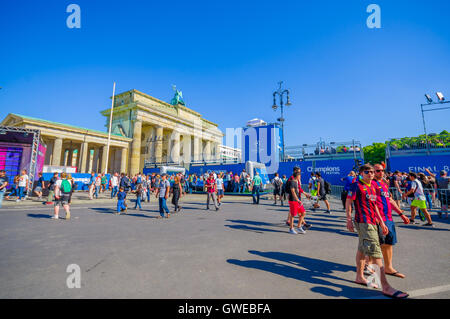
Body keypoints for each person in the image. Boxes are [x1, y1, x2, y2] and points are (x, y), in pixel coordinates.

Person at [345, 164, 408, 299]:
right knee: (375, 252)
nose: (371, 174)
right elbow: (349, 202)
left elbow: (375, 206)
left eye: (373, 172)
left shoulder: (373, 186)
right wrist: (348, 219)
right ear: (361, 173)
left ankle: (359, 276)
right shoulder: (356, 185)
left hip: (374, 221)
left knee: (362, 249)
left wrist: (381, 221)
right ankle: (385, 286)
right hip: (364, 222)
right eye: (368, 172)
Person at [373, 164, 410, 279]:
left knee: (389, 243)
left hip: (388, 218)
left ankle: (388, 267)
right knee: (376, 244)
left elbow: (390, 200)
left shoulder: (383, 184)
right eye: (377, 171)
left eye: (382, 170)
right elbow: (372, 204)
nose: (381, 172)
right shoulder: (371, 184)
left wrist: (401, 214)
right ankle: (369, 267)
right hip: (377, 219)